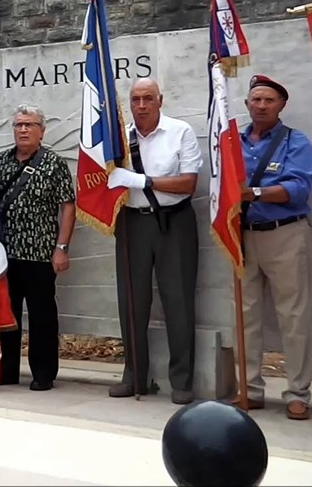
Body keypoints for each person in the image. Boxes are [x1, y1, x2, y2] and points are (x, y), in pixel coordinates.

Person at [106, 77, 201, 404]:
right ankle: (134, 376)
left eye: (148, 98)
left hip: (174, 222)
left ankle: (182, 380)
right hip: (132, 222)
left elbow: (188, 183)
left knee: (178, 301)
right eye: (136, 99)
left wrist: (142, 180)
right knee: (131, 302)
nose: (142, 105)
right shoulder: (120, 139)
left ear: (160, 100)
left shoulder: (180, 132)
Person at [234, 75, 312, 421]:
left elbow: (297, 189)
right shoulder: (232, 142)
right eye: (256, 100)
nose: (262, 106)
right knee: (246, 315)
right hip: (242, 236)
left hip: (284, 234)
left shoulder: (296, 142)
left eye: (269, 100)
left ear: (282, 105)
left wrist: (253, 193)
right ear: (247, 104)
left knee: (293, 316)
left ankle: (297, 393)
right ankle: (250, 390)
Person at [0, 104, 75, 391]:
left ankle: (43, 372)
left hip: (40, 253)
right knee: (7, 314)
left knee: (42, 316)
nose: (23, 129)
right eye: (19, 125)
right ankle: (7, 369)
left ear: (42, 131)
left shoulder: (53, 163)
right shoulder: (0, 162)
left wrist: (62, 247)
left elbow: (68, 207)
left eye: (29, 125)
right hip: (5, 254)